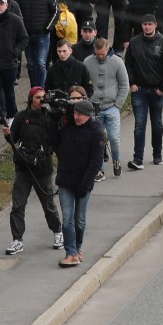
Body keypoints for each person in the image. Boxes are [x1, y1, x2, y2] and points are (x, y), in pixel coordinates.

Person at [2, 87, 64, 255]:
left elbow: (56, 139)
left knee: (48, 205)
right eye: (38, 98)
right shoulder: (21, 117)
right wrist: (8, 135)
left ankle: (58, 231)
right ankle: (17, 240)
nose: (42, 100)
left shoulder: (50, 117)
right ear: (31, 99)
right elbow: (14, 140)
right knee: (18, 205)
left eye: (44, 97)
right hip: (23, 169)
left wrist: (46, 151)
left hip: (43, 170)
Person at [53, 100, 105, 267]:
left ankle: (78, 247)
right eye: (74, 113)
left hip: (83, 182)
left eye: (79, 114)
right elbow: (55, 141)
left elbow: (96, 162)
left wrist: (86, 183)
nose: (76, 117)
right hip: (65, 180)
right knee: (67, 218)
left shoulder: (96, 132)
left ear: (88, 115)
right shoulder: (68, 127)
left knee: (79, 220)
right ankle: (70, 253)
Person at [125, 15, 163, 170]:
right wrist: (132, 83)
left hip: (156, 90)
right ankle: (137, 159)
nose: (147, 27)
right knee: (139, 124)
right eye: (144, 24)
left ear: (155, 25)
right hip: (139, 90)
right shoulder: (134, 42)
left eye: (149, 24)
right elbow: (128, 65)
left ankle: (157, 154)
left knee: (157, 123)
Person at [83, 36, 128, 179]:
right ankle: (99, 169)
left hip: (112, 106)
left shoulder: (117, 62)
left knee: (114, 138)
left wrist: (118, 104)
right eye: (98, 53)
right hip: (94, 107)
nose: (101, 56)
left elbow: (124, 84)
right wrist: (88, 102)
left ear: (107, 49)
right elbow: (84, 84)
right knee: (97, 140)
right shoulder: (88, 62)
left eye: (103, 53)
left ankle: (116, 160)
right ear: (94, 50)